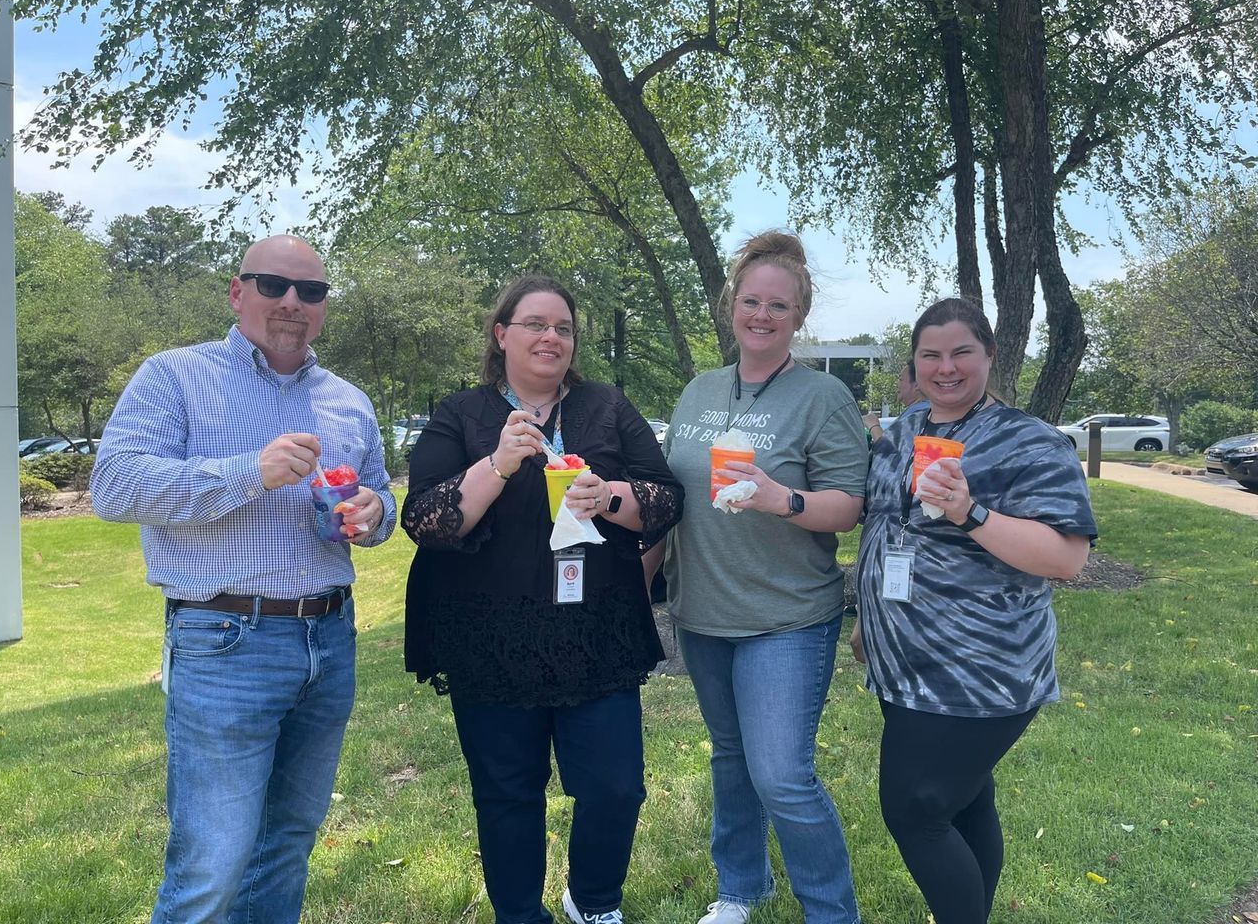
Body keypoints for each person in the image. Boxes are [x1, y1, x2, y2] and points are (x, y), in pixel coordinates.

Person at [91, 235, 397, 924]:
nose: (292, 302)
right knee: (213, 863)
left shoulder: (347, 400)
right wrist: (248, 472)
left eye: (310, 292)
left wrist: (375, 511)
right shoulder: (175, 376)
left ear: (323, 308)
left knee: (287, 844)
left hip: (328, 637)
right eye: (272, 285)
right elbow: (113, 487)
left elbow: (379, 501)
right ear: (237, 292)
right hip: (223, 638)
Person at [402, 274, 684, 924]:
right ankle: (520, 915)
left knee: (615, 788)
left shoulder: (605, 406)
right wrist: (498, 463)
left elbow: (667, 498)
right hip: (491, 639)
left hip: (597, 634)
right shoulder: (462, 415)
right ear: (502, 334)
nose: (551, 337)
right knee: (506, 796)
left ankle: (593, 904)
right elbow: (427, 520)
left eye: (562, 326)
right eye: (535, 323)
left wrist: (609, 496)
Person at [850, 297, 1096, 924]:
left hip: (981, 672)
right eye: (930, 355)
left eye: (962, 352)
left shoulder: (1031, 442)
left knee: (915, 810)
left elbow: (1065, 558)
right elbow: (884, 526)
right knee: (964, 804)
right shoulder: (900, 434)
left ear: (990, 353)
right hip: (902, 665)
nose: (946, 368)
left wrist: (972, 513)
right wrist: (867, 622)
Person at [648, 231, 868, 924]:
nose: (762, 316)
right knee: (732, 760)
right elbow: (670, 493)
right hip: (703, 610)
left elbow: (851, 507)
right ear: (731, 307)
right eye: (751, 302)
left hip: (787, 616)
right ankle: (739, 889)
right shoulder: (699, 390)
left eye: (778, 306)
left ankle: (831, 912)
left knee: (782, 776)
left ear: (798, 316)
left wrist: (785, 500)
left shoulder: (823, 396)